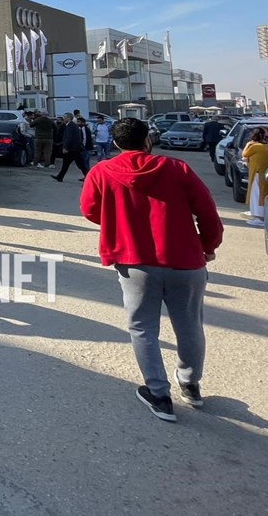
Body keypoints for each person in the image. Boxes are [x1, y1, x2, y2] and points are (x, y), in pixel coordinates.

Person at [80, 118, 223, 423]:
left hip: (134, 261)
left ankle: (159, 394)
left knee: (143, 327)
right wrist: (208, 245)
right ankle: (190, 384)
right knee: (189, 325)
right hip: (185, 260)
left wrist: (120, 220)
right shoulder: (177, 168)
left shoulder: (102, 172)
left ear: (115, 143)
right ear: (147, 140)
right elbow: (208, 212)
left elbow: (90, 210)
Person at [243, 128, 268, 227]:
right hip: (264, 174)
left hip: (257, 174)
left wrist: (248, 144)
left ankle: (259, 218)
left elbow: (244, 154)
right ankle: (259, 216)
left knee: (256, 196)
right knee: (261, 195)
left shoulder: (255, 146)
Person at [54, 116, 90, 182]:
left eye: (65, 117)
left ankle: (90, 177)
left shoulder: (70, 126)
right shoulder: (72, 125)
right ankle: (60, 177)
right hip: (74, 148)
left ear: (69, 118)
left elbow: (69, 137)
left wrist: (65, 147)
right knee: (67, 163)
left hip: (72, 149)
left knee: (80, 164)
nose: (64, 119)